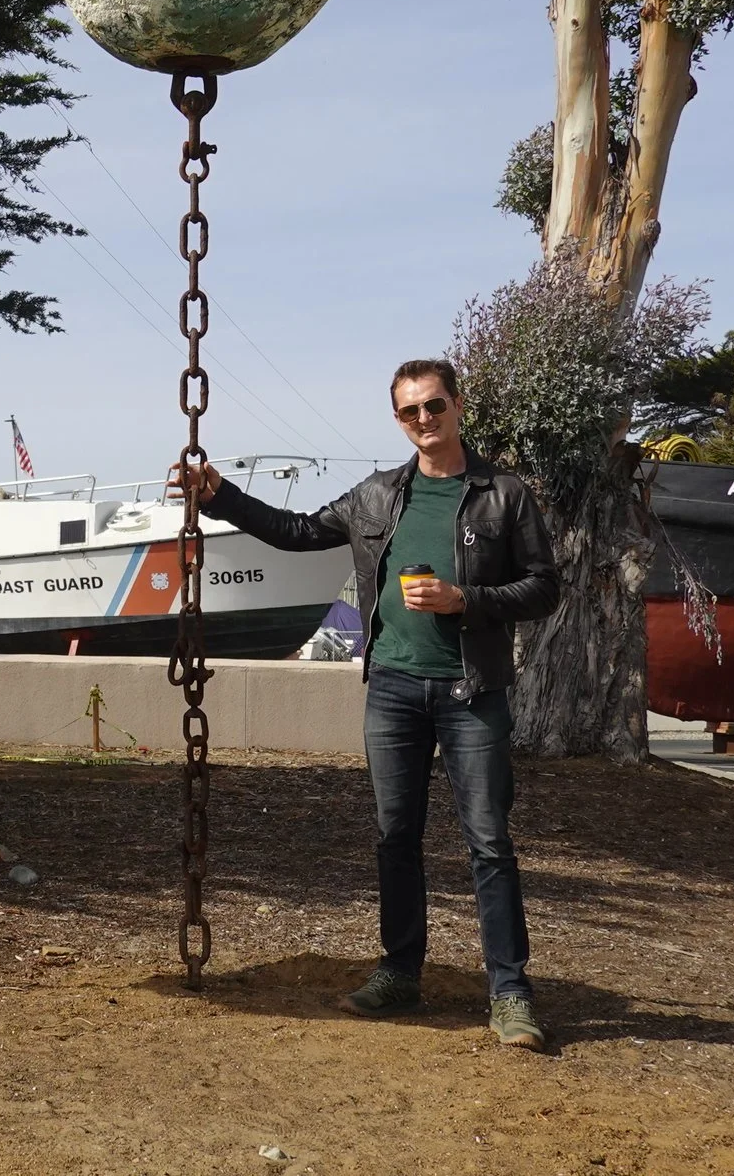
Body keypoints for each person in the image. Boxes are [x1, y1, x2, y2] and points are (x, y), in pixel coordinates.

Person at [175, 358, 560, 1050]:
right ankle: (400, 972)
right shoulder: (377, 495)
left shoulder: (503, 495)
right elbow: (297, 531)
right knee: (395, 837)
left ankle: (510, 992)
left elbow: (543, 587)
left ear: (458, 405)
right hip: (392, 689)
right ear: (398, 419)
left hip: (472, 692)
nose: (423, 419)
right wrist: (220, 495)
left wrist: (465, 599)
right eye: (410, 411)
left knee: (489, 842)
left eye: (434, 405)